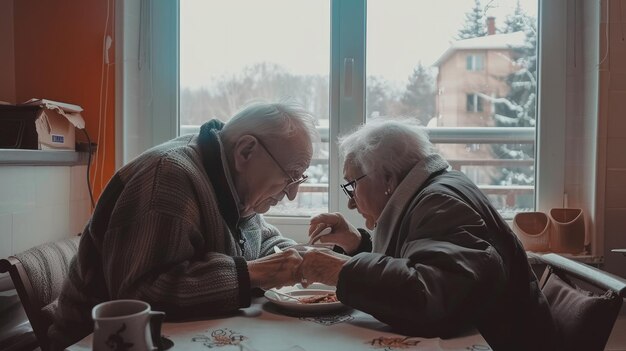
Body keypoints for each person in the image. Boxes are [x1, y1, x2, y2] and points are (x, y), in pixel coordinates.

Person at [49, 101, 317, 347]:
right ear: (246, 151)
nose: (292, 194)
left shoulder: (234, 183)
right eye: (290, 176)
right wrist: (252, 274)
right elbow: (139, 293)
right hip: (94, 341)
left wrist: (299, 257)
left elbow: (260, 240)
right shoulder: (167, 177)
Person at [301, 118, 556, 351]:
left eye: (352, 185)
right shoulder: (433, 192)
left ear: (388, 179)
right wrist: (357, 245)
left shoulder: (440, 203)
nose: (351, 203)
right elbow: (418, 266)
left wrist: (340, 271)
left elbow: (430, 299)